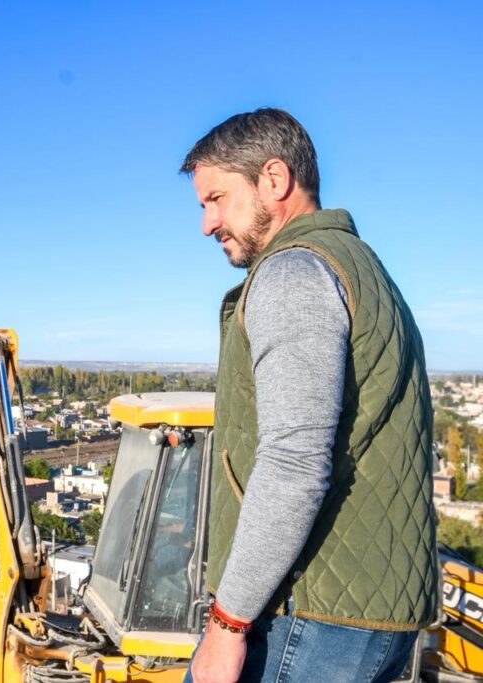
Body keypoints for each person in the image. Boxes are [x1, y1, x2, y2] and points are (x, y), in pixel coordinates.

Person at [178, 108, 437, 683]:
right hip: (367, 609)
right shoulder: (363, 269)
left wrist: (226, 624)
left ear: (274, 179)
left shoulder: (294, 273)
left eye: (216, 198)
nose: (206, 223)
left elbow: (293, 463)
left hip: (311, 612)